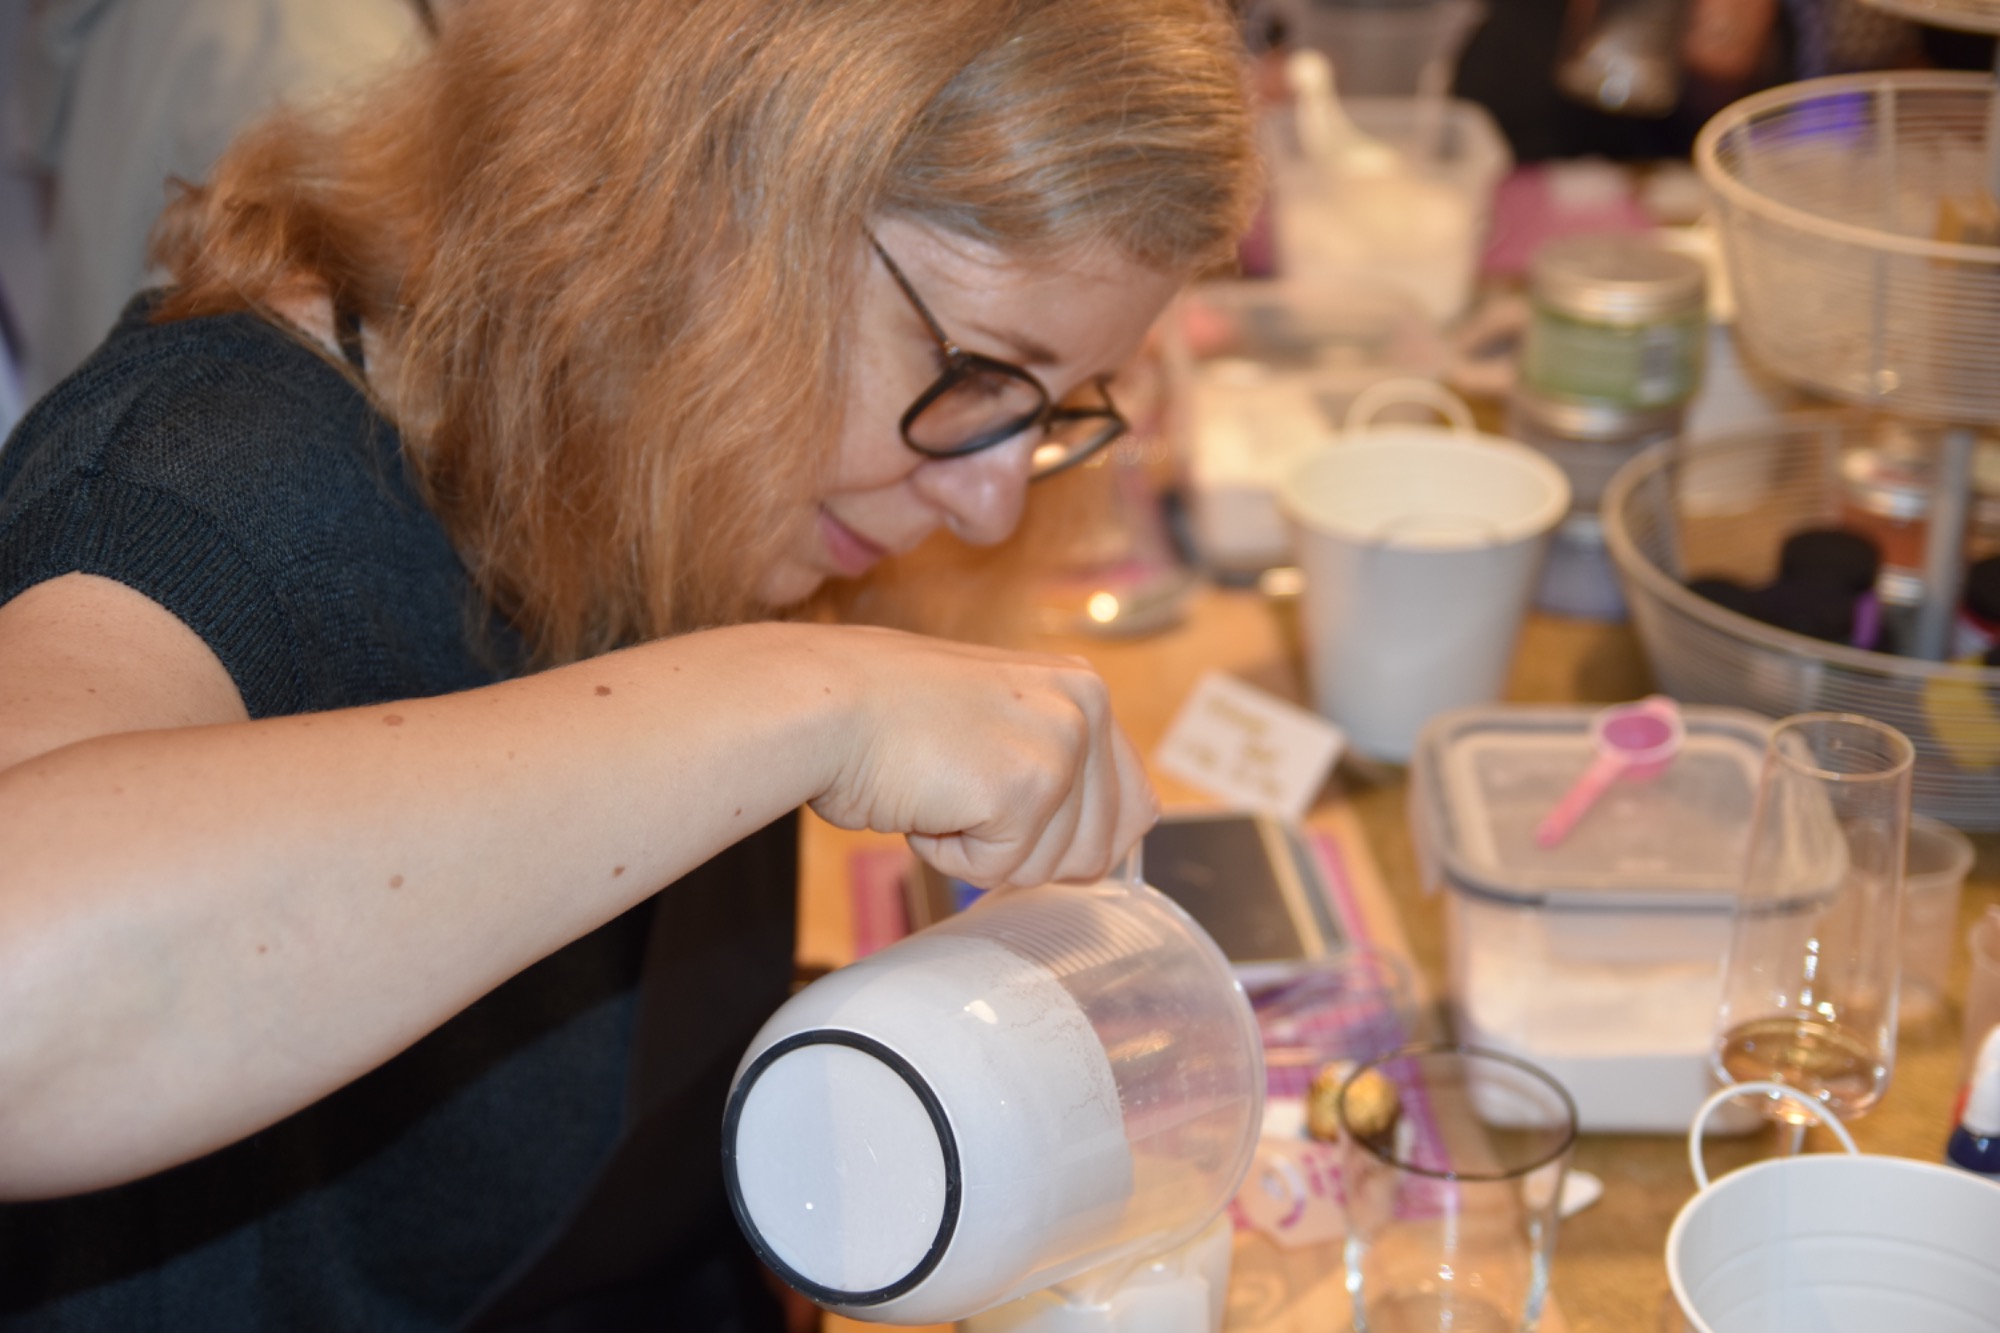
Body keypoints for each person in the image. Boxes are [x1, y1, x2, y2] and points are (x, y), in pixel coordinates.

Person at [0, 0, 1259, 1328]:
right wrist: (819, 699)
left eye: (1051, 410)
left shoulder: (652, 467)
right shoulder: (203, 479)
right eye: (980, 372)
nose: (993, 505)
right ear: (705, 197)